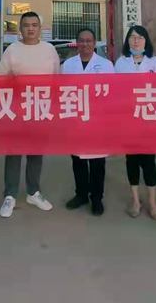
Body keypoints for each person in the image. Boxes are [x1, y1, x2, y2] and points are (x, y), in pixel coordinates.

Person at [0, 12, 59, 219]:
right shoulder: (12, 50)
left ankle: (33, 192)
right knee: (14, 154)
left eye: (34, 25)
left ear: (40, 28)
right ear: (20, 28)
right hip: (16, 110)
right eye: (26, 25)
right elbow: (0, 79)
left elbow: (57, 80)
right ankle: (10, 195)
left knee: (36, 153)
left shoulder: (49, 50)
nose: (30, 29)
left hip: (40, 109)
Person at [61, 28, 115, 217]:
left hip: (98, 121)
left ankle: (97, 198)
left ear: (94, 43)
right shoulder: (68, 65)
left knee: (97, 162)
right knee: (78, 160)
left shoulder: (106, 65)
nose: (85, 44)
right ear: (77, 43)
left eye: (89, 40)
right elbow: (62, 92)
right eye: (82, 40)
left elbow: (113, 93)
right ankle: (81, 194)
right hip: (75, 119)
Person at [114, 25, 156, 220]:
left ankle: (152, 202)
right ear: (128, 40)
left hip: (149, 118)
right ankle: (135, 200)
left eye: (140, 37)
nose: (136, 41)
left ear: (146, 40)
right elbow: (115, 90)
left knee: (149, 161)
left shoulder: (155, 62)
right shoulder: (121, 62)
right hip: (128, 119)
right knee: (132, 161)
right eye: (132, 37)